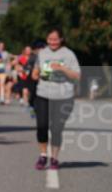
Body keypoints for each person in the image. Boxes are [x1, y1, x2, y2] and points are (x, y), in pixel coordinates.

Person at [31, 29, 80, 170]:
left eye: (55, 39)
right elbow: (35, 73)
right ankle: (43, 155)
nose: (52, 42)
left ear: (61, 39)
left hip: (63, 96)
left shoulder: (69, 54)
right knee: (42, 126)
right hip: (43, 94)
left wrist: (62, 69)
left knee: (57, 129)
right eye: (50, 39)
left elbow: (77, 75)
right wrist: (36, 74)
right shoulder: (42, 53)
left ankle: (54, 158)